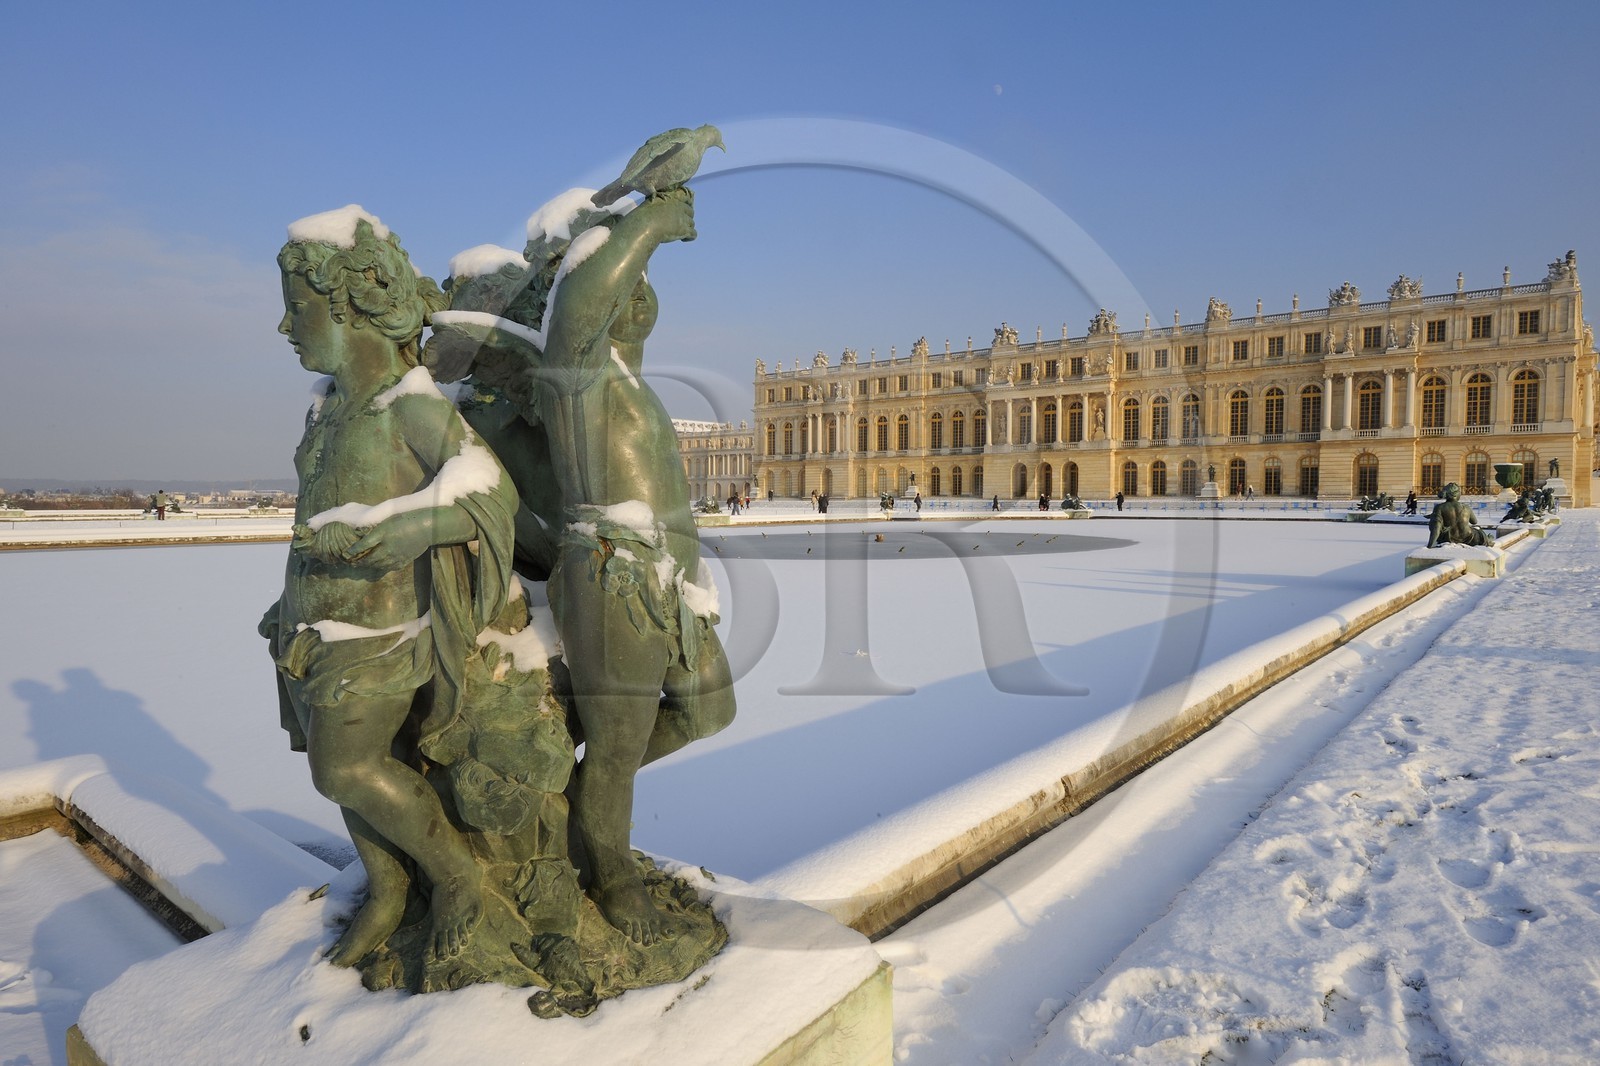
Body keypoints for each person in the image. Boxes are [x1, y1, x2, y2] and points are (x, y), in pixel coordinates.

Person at [262, 209, 519, 968]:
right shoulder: (330, 408)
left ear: (350, 308)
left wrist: (406, 530)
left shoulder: (411, 404)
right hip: (313, 629)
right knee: (339, 774)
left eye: (297, 308)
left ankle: (456, 877)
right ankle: (388, 884)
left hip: (381, 637)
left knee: (343, 768)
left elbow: (487, 493)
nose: (284, 326)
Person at [534, 188, 735, 944]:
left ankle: (584, 798)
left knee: (708, 708)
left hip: (672, 585)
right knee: (619, 745)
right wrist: (647, 224)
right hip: (612, 572)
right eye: (627, 282)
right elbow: (580, 304)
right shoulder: (574, 372)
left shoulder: (631, 383)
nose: (637, 293)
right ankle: (611, 872)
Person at [1426, 482, 1493, 548]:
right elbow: (1474, 521)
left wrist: (1430, 545)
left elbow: (1436, 528)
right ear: (1457, 494)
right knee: (1480, 533)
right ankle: (1488, 539)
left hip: (1449, 538)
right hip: (1469, 538)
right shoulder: (1466, 507)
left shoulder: (1439, 508)